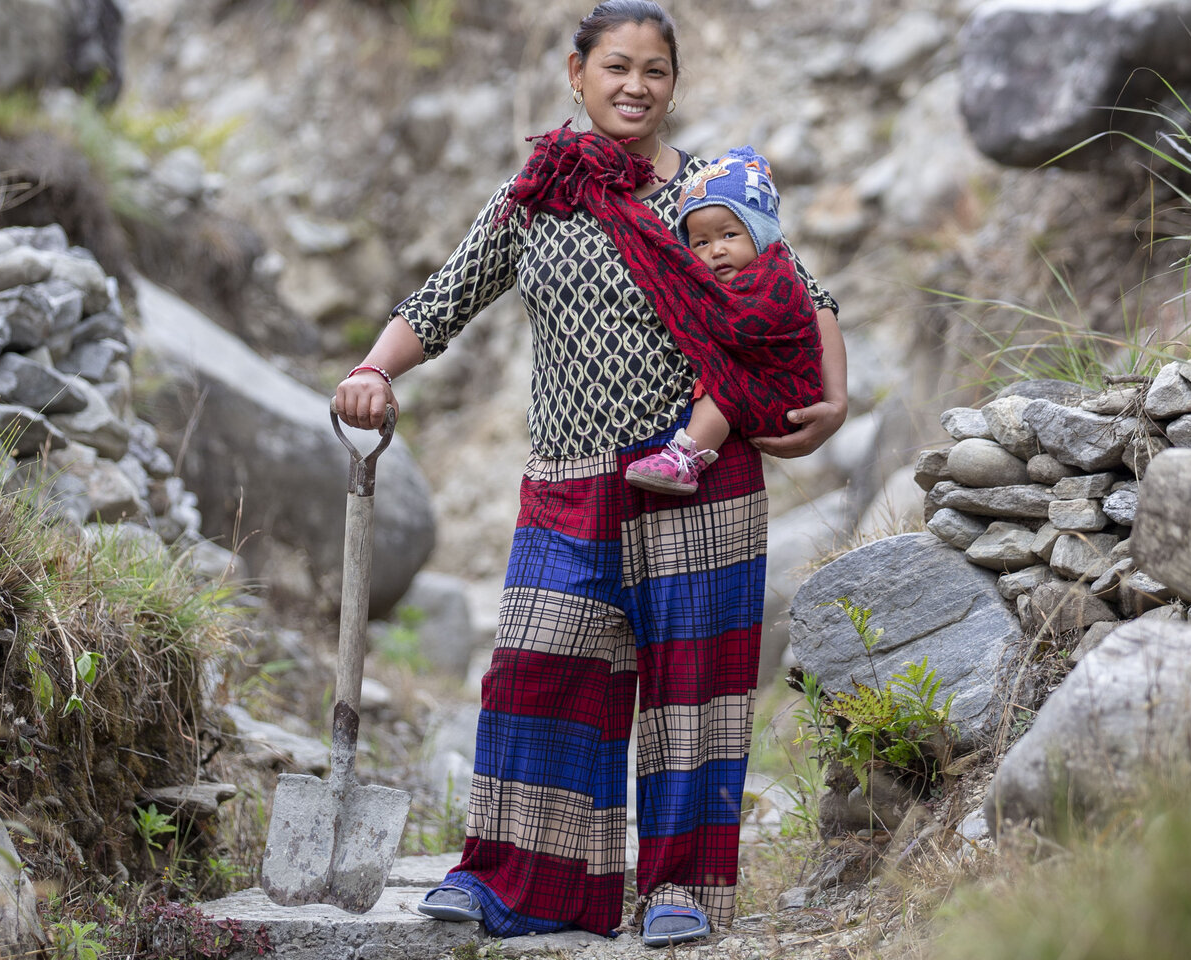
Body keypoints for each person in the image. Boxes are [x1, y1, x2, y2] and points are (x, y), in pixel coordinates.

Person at [334, 0, 847, 947]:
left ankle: (677, 894)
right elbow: (442, 299)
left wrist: (837, 406)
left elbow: (803, 294)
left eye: (654, 71)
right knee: (536, 669)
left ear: (673, 86)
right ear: (576, 75)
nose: (634, 87)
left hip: (699, 475)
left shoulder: (708, 195)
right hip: (568, 480)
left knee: (692, 688)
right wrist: (371, 370)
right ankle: (514, 883)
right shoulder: (536, 195)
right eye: (615, 67)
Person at [623, 144, 824, 495]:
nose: (715, 251)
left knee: (722, 387)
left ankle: (685, 460)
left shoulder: (776, 276)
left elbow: (745, 326)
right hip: (769, 387)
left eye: (729, 235)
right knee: (721, 382)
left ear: (758, 231)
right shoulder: (728, 282)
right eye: (699, 243)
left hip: (787, 393)